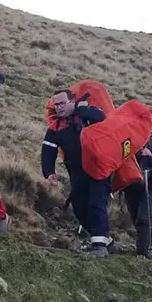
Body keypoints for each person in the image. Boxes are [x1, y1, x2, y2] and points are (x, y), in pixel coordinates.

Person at [41, 90, 115, 257]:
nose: (59, 107)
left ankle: (99, 246)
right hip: (76, 172)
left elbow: (101, 117)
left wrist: (82, 110)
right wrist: (49, 173)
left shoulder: (86, 115)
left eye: (62, 103)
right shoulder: (55, 128)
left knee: (96, 203)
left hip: (99, 168)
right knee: (79, 208)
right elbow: (48, 152)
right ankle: (107, 241)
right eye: (56, 104)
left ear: (72, 102)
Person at [125, 134, 152, 258]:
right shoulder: (124, 138)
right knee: (137, 220)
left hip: (148, 183)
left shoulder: (150, 140)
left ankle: (142, 252)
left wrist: (150, 155)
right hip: (129, 185)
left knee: (143, 219)